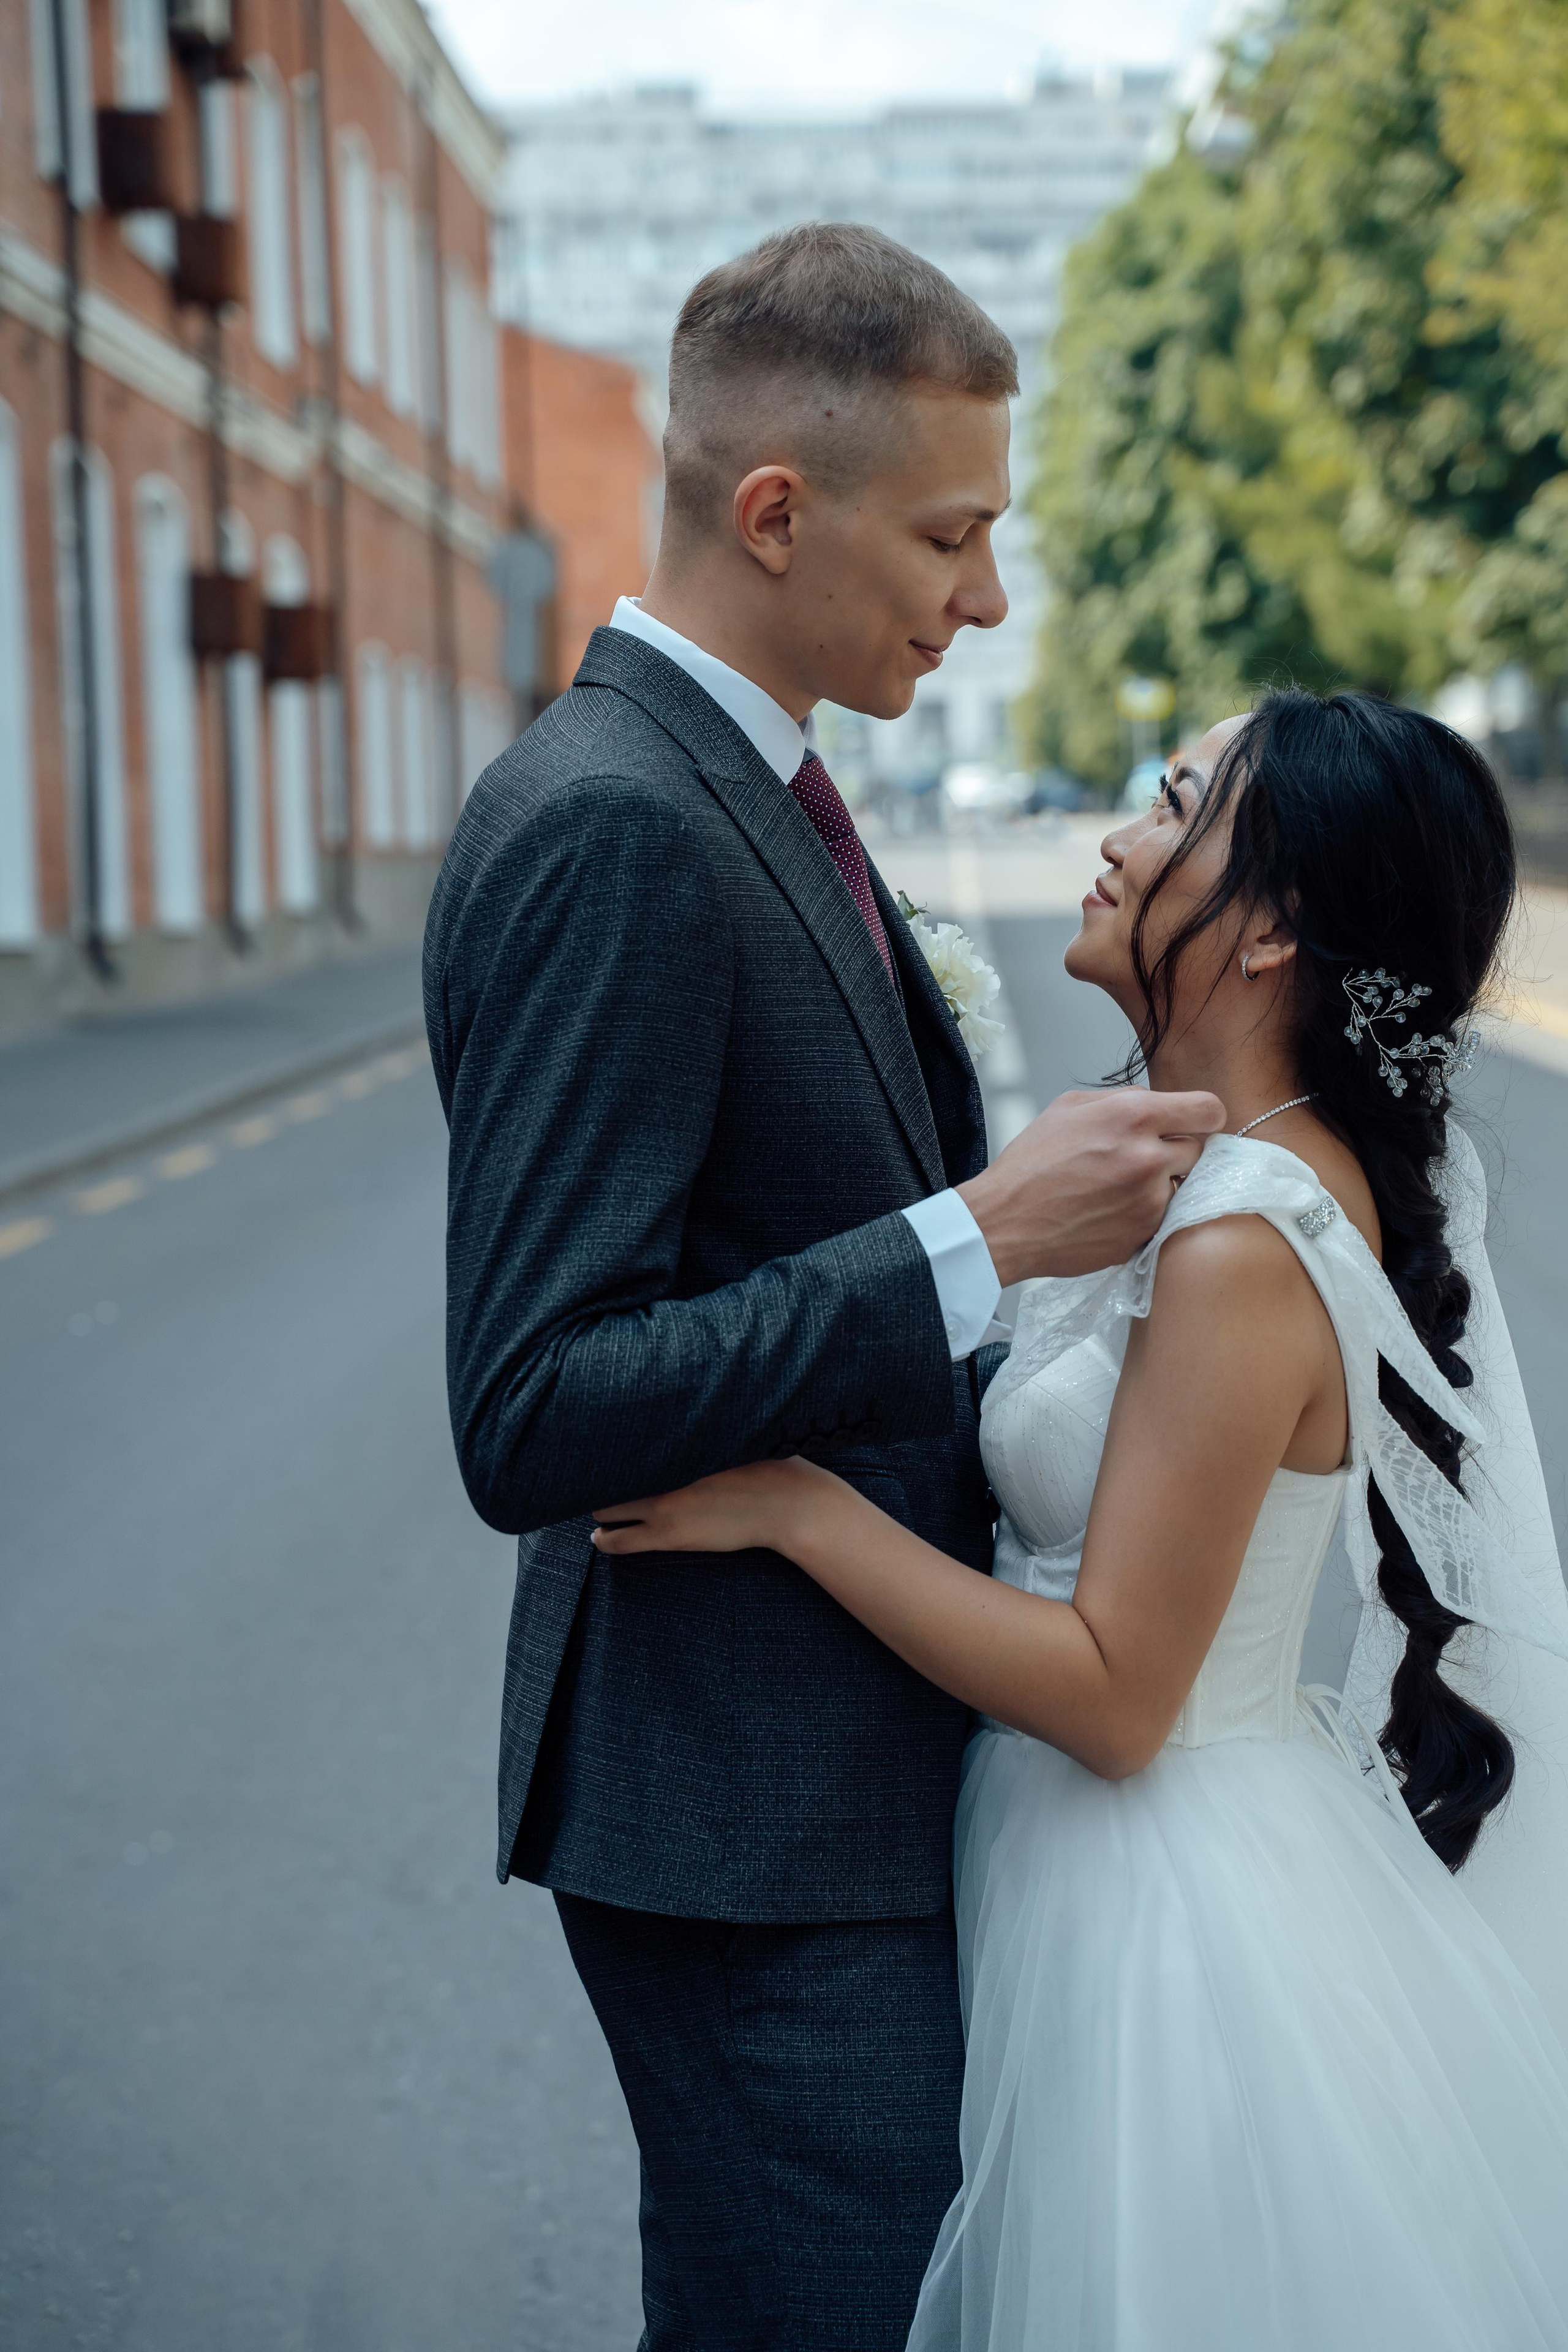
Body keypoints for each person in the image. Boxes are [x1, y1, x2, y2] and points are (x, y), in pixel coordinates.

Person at [423, 222, 1223, 2348]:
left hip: (834, 1788)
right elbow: (535, 1401)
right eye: (952, 536)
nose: (990, 599)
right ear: (777, 514)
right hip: (749, 1825)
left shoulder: (748, 782)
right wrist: (985, 1234)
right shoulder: (615, 824)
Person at [595, 691, 1568, 2350]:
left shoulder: (1245, 1236)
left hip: (1161, 1905)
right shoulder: (1184, 1170)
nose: (1119, 838)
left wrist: (799, 1510)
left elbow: (1120, 1694)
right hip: (1073, 1845)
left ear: (1273, 931)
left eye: (1177, 803)